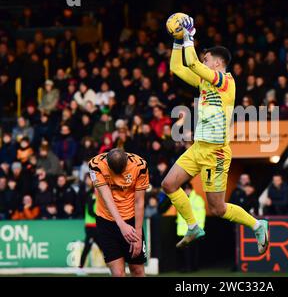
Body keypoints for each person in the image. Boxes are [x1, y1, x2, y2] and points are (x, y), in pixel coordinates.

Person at [163, 15, 269, 254]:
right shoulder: (204, 81)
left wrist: (189, 36)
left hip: (216, 153)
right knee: (168, 184)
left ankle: (256, 224)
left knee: (218, 208)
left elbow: (191, 64)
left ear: (218, 63)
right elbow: (176, 67)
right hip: (199, 147)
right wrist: (179, 41)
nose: (203, 60)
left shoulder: (225, 81)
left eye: (206, 58)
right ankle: (192, 226)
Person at [88, 148, 149, 277]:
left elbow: (139, 201)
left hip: (132, 220)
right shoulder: (95, 165)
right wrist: (121, 225)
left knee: (137, 270)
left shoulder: (140, 166)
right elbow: (107, 197)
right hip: (106, 221)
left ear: (126, 162)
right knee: (118, 273)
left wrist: (137, 234)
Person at [176, 183, 205, 272]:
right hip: (183, 230)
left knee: (193, 249)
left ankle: (193, 267)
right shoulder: (181, 199)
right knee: (186, 250)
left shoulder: (197, 199)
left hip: (194, 230)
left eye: (187, 189)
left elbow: (201, 215)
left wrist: (199, 228)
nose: (186, 191)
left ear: (190, 189)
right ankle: (188, 267)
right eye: (185, 189)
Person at [78, 174, 98, 274]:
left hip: (98, 226)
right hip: (91, 227)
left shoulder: (99, 198)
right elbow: (90, 211)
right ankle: (80, 268)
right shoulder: (90, 197)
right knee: (87, 247)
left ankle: (113, 268)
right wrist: (100, 217)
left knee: (105, 247)